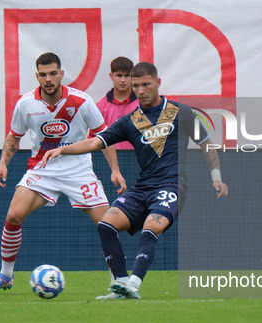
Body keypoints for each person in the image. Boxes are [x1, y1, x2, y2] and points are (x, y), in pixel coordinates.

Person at [41, 62, 228, 300]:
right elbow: (95, 142)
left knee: (151, 227)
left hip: (171, 185)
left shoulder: (181, 112)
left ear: (158, 83)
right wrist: (62, 150)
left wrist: (217, 177)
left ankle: (134, 285)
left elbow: (206, 143)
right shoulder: (129, 121)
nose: (140, 90)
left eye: (146, 84)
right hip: (142, 187)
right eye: (136, 85)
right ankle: (120, 285)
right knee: (106, 224)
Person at [0, 52, 126, 294]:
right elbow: (14, 138)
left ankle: (118, 281)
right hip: (43, 170)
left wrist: (115, 170)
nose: (48, 79)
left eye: (53, 74)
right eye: (43, 74)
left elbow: (104, 137)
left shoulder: (82, 101)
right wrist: (3, 163)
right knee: (14, 215)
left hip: (79, 170)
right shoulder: (26, 103)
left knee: (107, 224)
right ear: (37, 76)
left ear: (61, 74)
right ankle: (5, 275)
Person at [96, 56, 138, 149]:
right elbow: (94, 137)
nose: (123, 80)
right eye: (119, 75)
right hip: (109, 162)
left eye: (127, 75)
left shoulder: (141, 103)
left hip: (138, 159)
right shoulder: (102, 105)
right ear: (111, 76)